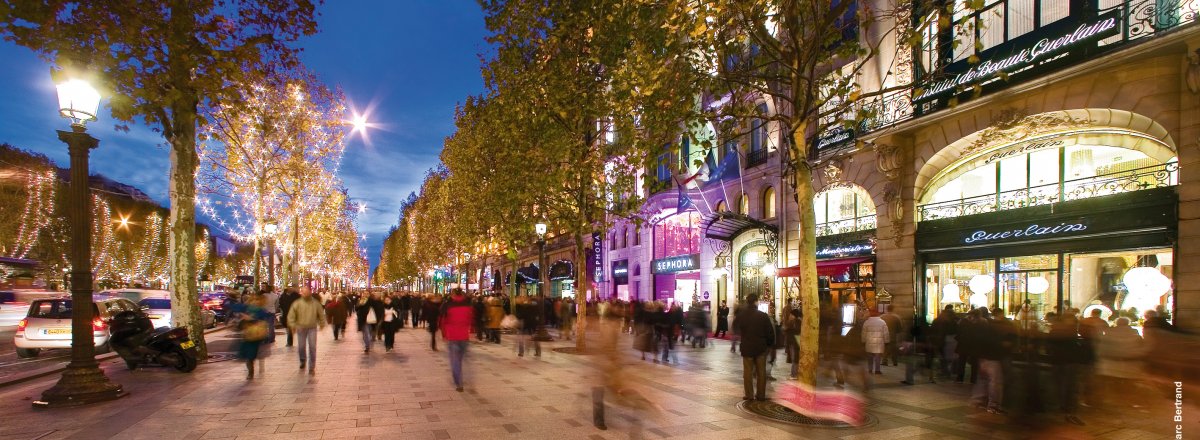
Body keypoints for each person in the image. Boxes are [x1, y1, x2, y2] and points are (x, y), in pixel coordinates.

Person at [732, 294, 774, 401]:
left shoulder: (741, 315)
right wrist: (769, 344)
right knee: (761, 373)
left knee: (747, 372)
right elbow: (770, 333)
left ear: (747, 302)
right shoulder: (763, 316)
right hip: (760, 348)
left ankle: (749, 395)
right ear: (756, 302)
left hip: (747, 347)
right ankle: (760, 395)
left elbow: (734, 327)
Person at [440, 288, 474, 392]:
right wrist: (471, 331)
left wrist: (444, 334)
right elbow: (471, 319)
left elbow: (442, 321)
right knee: (464, 359)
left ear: (453, 295)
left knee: (455, 361)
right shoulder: (468, 304)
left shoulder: (447, 305)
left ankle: (459, 382)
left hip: (452, 336)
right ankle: (466, 379)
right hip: (464, 336)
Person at [287, 286, 326, 375]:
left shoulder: (315, 303)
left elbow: (320, 313)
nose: (304, 294)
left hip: (312, 327)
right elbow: (291, 315)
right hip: (301, 327)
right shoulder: (297, 303)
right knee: (301, 346)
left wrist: (322, 323)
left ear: (310, 292)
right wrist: (292, 325)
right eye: (303, 292)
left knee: (312, 347)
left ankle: (312, 366)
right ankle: (302, 359)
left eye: (306, 292)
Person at [236, 294, 271, 379]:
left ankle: (254, 367)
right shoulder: (246, 310)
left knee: (255, 353)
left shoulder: (261, 311)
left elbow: (265, 320)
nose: (255, 302)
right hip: (248, 336)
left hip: (257, 335)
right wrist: (242, 320)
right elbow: (240, 324)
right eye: (253, 300)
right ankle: (250, 372)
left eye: (256, 300)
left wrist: (252, 319)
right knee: (249, 355)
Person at [862, 309, 889, 375]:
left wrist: (863, 341)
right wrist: (887, 341)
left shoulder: (867, 322)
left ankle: (870, 369)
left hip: (869, 341)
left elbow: (863, 333)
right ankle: (877, 370)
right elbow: (886, 333)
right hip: (879, 342)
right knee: (878, 357)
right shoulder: (882, 322)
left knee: (870, 357)